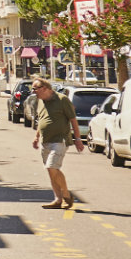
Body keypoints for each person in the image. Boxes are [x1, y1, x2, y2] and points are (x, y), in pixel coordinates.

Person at [30, 77, 81, 209]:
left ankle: (66, 196)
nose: (33, 91)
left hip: (60, 140)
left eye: (35, 89)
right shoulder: (40, 101)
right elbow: (41, 121)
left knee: (52, 167)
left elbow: (73, 120)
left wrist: (78, 139)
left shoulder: (62, 100)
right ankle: (58, 199)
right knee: (51, 171)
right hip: (45, 141)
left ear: (44, 88)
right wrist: (36, 137)